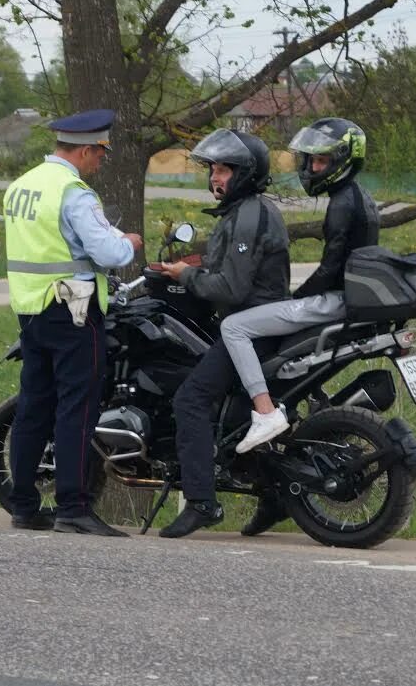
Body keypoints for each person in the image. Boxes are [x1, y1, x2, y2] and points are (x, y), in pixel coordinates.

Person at [218, 117, 379, 536]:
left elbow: (330, 269)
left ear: (344, 160)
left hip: (333, 302)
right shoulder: (358, 196)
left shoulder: (343, 202)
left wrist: (296, 300)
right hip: (350, 302)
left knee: (235, 327)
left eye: (321, 160)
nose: (311, 168)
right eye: (310, 160)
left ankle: (265, 412)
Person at [3, 108, 144, 537]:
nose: (100, 162)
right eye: (99, 154)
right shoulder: (73, 192)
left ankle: (24, 505)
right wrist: (128, 242)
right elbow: (109, 253)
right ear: (84, 150)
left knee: (33, 407)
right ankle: (73, 506)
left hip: (30, 312)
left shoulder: (21, 186)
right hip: (73, 312)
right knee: (77, 409)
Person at [155, 128, 291, 538]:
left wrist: (188, 274)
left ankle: (201, 502)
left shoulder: (249, 215)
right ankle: (276, 496)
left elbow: (232, 288)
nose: (215, 177)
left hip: (251, 326)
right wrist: (194, 268)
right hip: (254, 322)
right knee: (230, 411)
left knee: (190, 399)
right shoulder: (245, 211)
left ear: (246, 173)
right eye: (213, 169)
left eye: (223, 170)